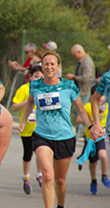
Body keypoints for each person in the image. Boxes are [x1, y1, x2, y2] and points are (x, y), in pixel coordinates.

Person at [18, 51, 103, 208]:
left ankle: (61, 205)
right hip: (42, 136)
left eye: (52, 64)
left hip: (65, 137)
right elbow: (30, 102)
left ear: (58, 67)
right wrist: (23, 121)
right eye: (46, 64)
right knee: (48, 176)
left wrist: (91, 126)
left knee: (60, 180)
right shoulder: (35, 85)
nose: (49, 67)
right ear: (41, 66)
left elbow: (81, 110)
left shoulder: (68, 86)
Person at [12, 66, 44, 195]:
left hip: (41, 128)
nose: (39, 79)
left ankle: (40, 174)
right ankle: (26, 178)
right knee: (28, 153)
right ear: (30, 76)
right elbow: (14, 107)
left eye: (41, 77)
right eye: (36, 76)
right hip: (26, 128)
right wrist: (28, 102)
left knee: (42, 153)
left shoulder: (45, 89)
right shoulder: (24, 89)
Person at [76, 85, 110, 194]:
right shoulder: (88, 106)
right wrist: (91, 121)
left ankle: (104, 175)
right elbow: (78, 119)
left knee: (103, 155)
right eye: (98, 95)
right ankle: (93, 180)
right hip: (91, 138)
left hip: (102, 136)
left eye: (102, 95)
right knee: (93, 162)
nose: (100, 97)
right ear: (92, 96)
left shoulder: (107, 107)